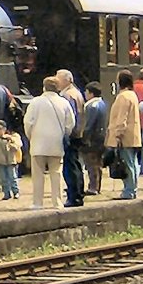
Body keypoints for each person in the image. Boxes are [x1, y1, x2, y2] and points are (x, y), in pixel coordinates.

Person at [24, 76, 75, 209]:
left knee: (38, 174)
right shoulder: (64, 103)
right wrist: (64, 134)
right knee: (56, 173)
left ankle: (37, 202)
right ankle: (57, 202)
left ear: (44, 87)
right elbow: (70, 123)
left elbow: (28, 122)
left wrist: (31, 137)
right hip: (56, 142)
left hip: (38, 142)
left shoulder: (35, 102)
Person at [105, 69, 142, 199]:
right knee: (132, 162)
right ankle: (132, 188)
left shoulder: (123, 97)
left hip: (124, 136)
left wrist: (118, 134)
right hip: (133, 135)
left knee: (127, 163)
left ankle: (129, 190)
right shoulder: (132, 95)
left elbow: (122, 118)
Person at [56, 69, 85, 207]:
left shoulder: (67, 95)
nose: (57, 82)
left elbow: (69, 117)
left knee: (70, 167)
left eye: (58, 79)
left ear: (67, 80)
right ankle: (78, 193)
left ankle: (74, 196)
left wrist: (64, 132)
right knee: (76, 165)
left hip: (71, 135)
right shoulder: (77, 93)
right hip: (78, 133)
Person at [81, 81, 108, 195]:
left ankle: (93, 187)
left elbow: (89, 124)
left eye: (86, 92)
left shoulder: (91, 106)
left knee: (91, 163)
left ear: (91, 93)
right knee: (98, 162)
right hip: (101, 137)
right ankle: (97, 186)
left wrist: (84, 137)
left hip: (92, 138)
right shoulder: (102, 104)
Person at [0, 120, 22, 200]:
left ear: (4, 129)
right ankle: (6, 193)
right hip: (0, 162)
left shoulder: (11, 137)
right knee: (3, 179)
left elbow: (17, 146)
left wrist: (11, 142)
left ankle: (16, 192)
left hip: (10, 161)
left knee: (12, 177)